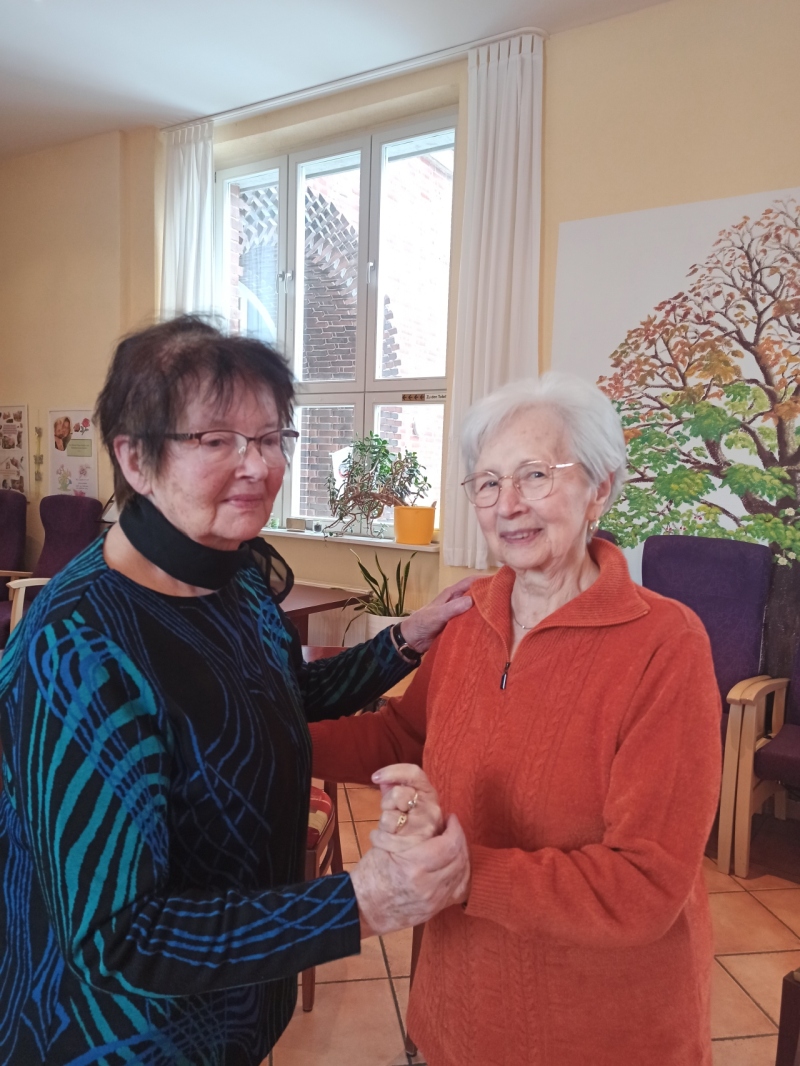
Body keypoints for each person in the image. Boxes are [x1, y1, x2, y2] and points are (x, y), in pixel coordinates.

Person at [0, 316, 471, 1066]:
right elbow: (117, 939)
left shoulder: (235, 577)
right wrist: (360, 900)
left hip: (237, 1014)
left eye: (271, 437)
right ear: (135, 457)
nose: (259, 465)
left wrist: (406, 638)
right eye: (217, 440)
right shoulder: (78, 646)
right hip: (121, 1039)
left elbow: (281, 693)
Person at [310, 372, 722, 1066]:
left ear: (599, 489)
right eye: (488, 482)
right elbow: (405, 737)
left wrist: (465, 875)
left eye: (535, 475)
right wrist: (273, 745)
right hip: (454, 1014)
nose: (509, 504)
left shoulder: (665, 644)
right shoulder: (471, 617)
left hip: (600, 1036)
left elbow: (645, 885)